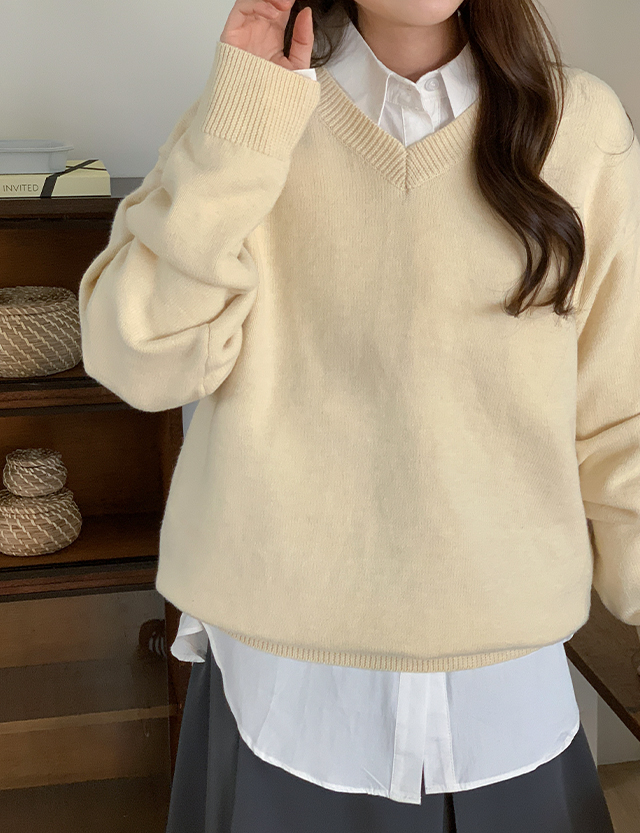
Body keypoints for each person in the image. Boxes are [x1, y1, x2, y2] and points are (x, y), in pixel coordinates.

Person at [78, 0, 639, 830]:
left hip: (504, 708)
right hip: (285, 699)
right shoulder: (252, 110)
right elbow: (139, 359)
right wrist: (244, 123)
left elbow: (619, 418)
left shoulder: (581, 125)